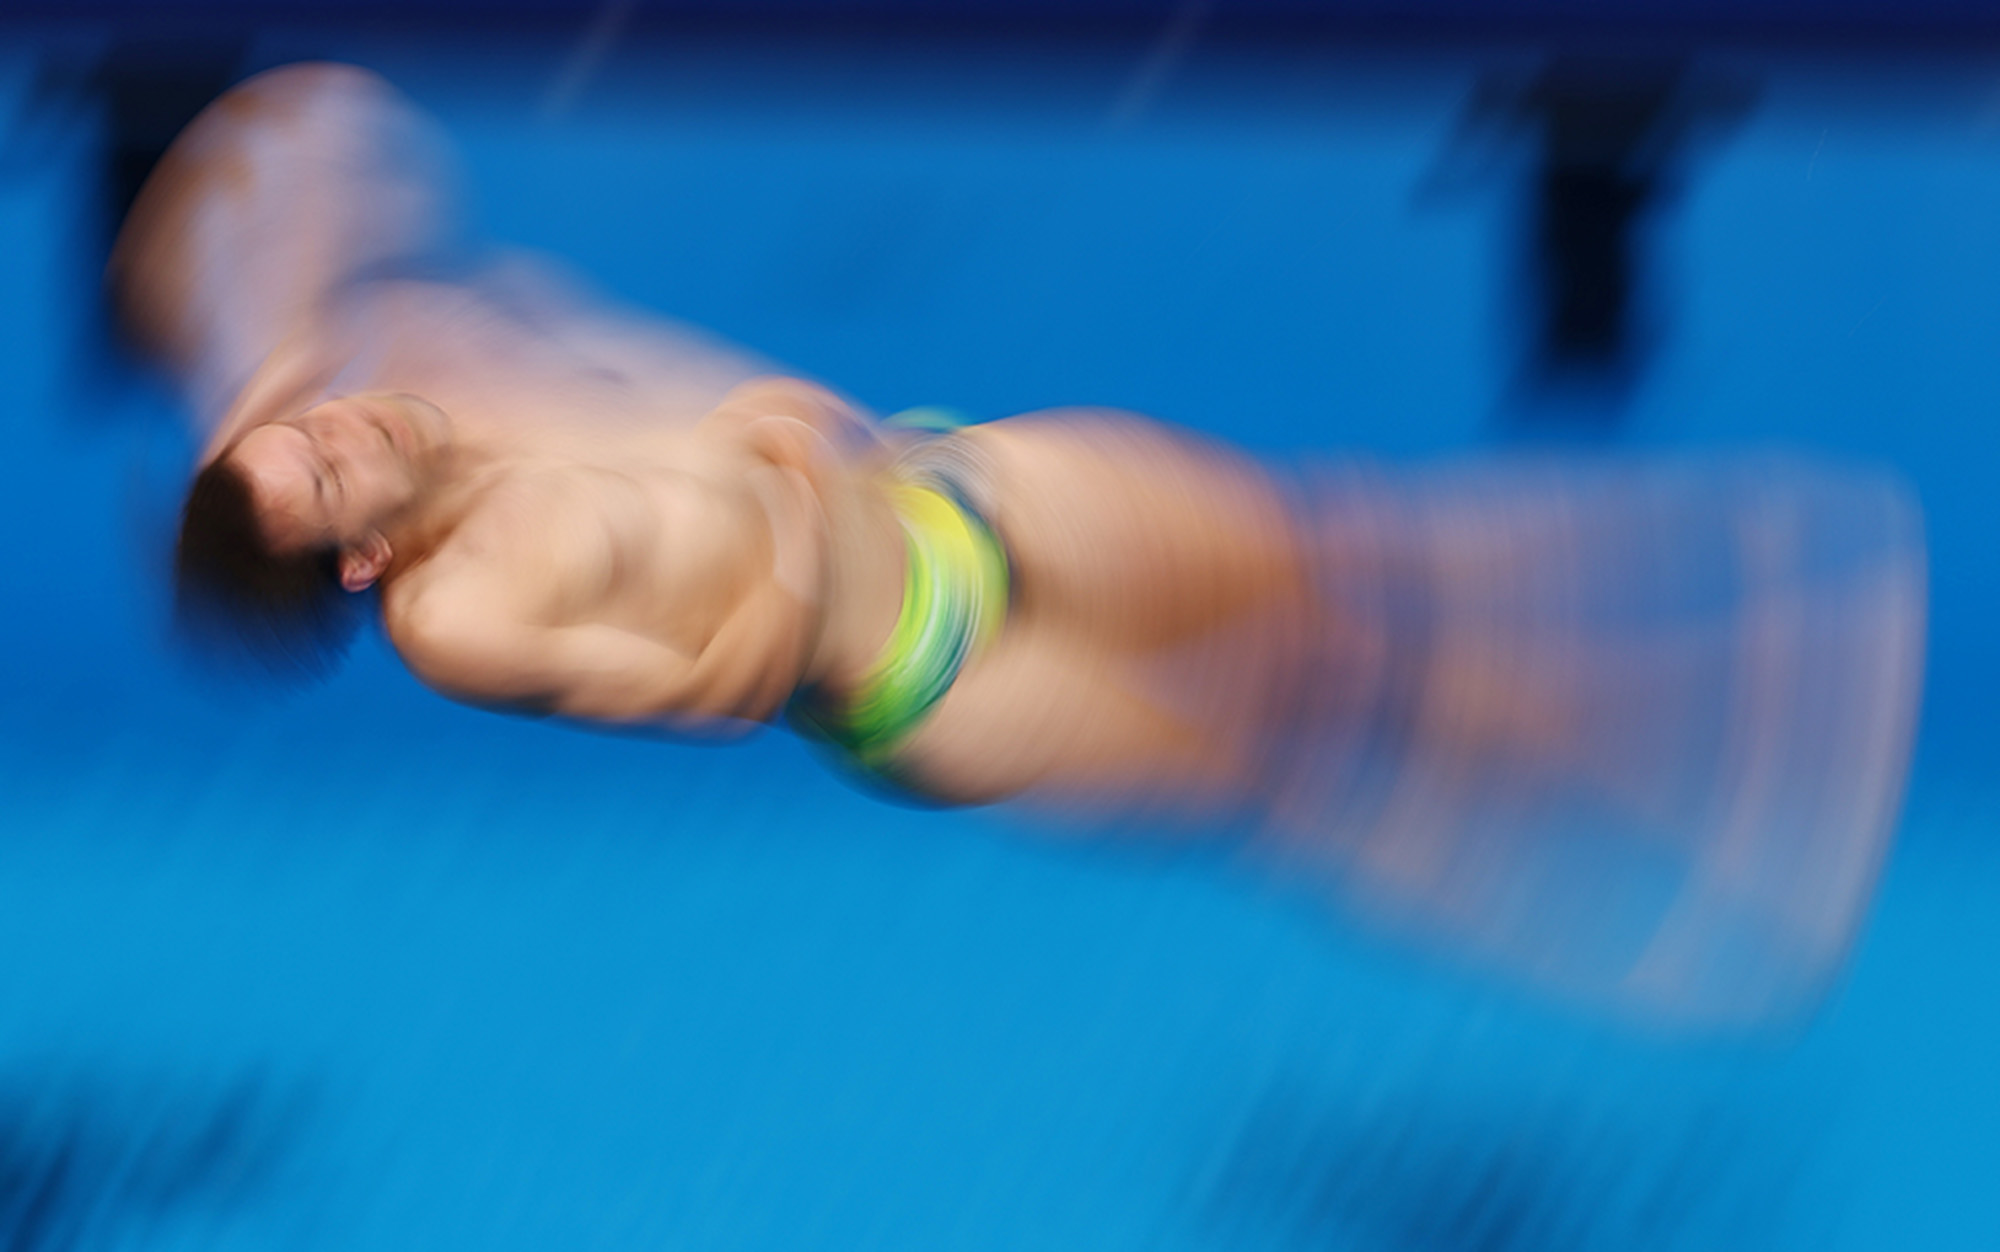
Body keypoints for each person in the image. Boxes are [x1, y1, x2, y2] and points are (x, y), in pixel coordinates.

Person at [115, 64, 1926, 1027]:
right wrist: (766, 468)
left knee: (1347, 563)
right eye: (327, 477)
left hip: (966, 487)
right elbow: (721, 676)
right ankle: (1644, 902)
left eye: (309, 434)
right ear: (358, 566)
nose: (343, 437)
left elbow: (301, 206)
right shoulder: (471, 610)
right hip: (938, 675)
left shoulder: (383, 382)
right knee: (1295, 755)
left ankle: (1708, 654)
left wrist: (253, 313)